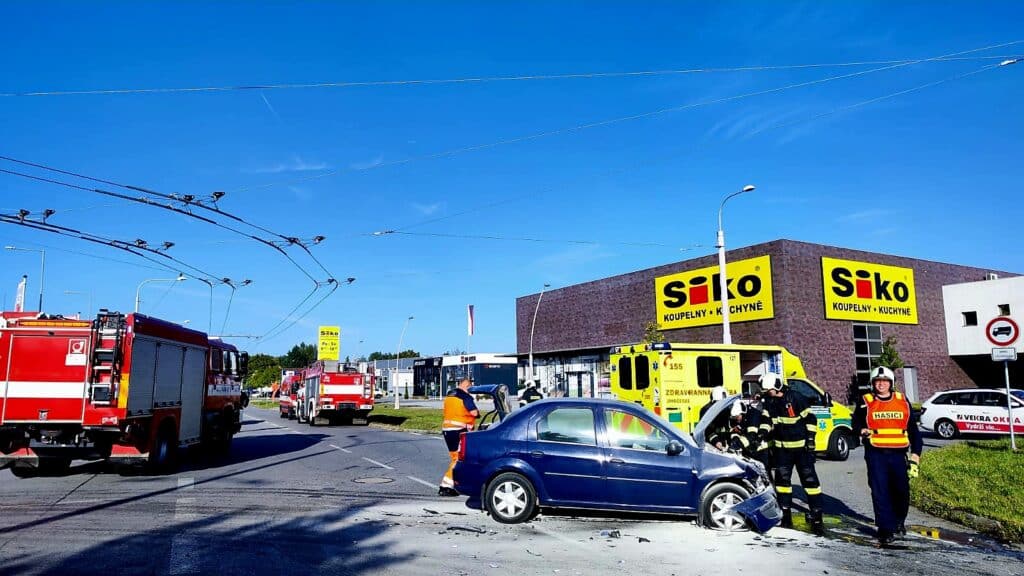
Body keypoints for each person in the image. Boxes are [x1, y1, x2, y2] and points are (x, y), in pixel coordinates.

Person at [853, 366, 923, 547]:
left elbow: (914, 431)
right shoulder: (865, 401)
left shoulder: (902, 400)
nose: (881, 384)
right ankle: (885, 529)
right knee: (880, 492)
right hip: (876, 454)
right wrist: (861, 429)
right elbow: (855, 422)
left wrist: (915, 456)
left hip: (899, 454)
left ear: (891, 383)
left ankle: (899, 521)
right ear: (872, 384)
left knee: (902, 492)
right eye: (877, 381)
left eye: (884, 381)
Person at [761, 372, 825, 536]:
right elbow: (768, 421)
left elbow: (811, 419)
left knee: (811, 484)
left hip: (802, 449)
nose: (769, 393)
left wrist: (811, 439)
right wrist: (762, 434)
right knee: (782, 484)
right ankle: (786, 516)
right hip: (782, 450)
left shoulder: (796, 398)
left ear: (777, 386)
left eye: (770, 390)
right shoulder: (769, 401)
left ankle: (817, 517)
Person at [438, 378, 479, 497]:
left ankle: (457, 483)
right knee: (458, 459)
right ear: (468, 386)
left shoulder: (450, 396)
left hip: (447, 429)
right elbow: (474, 413)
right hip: (459, 431)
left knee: (455, 457)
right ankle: (446, 486)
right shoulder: (465, 397)